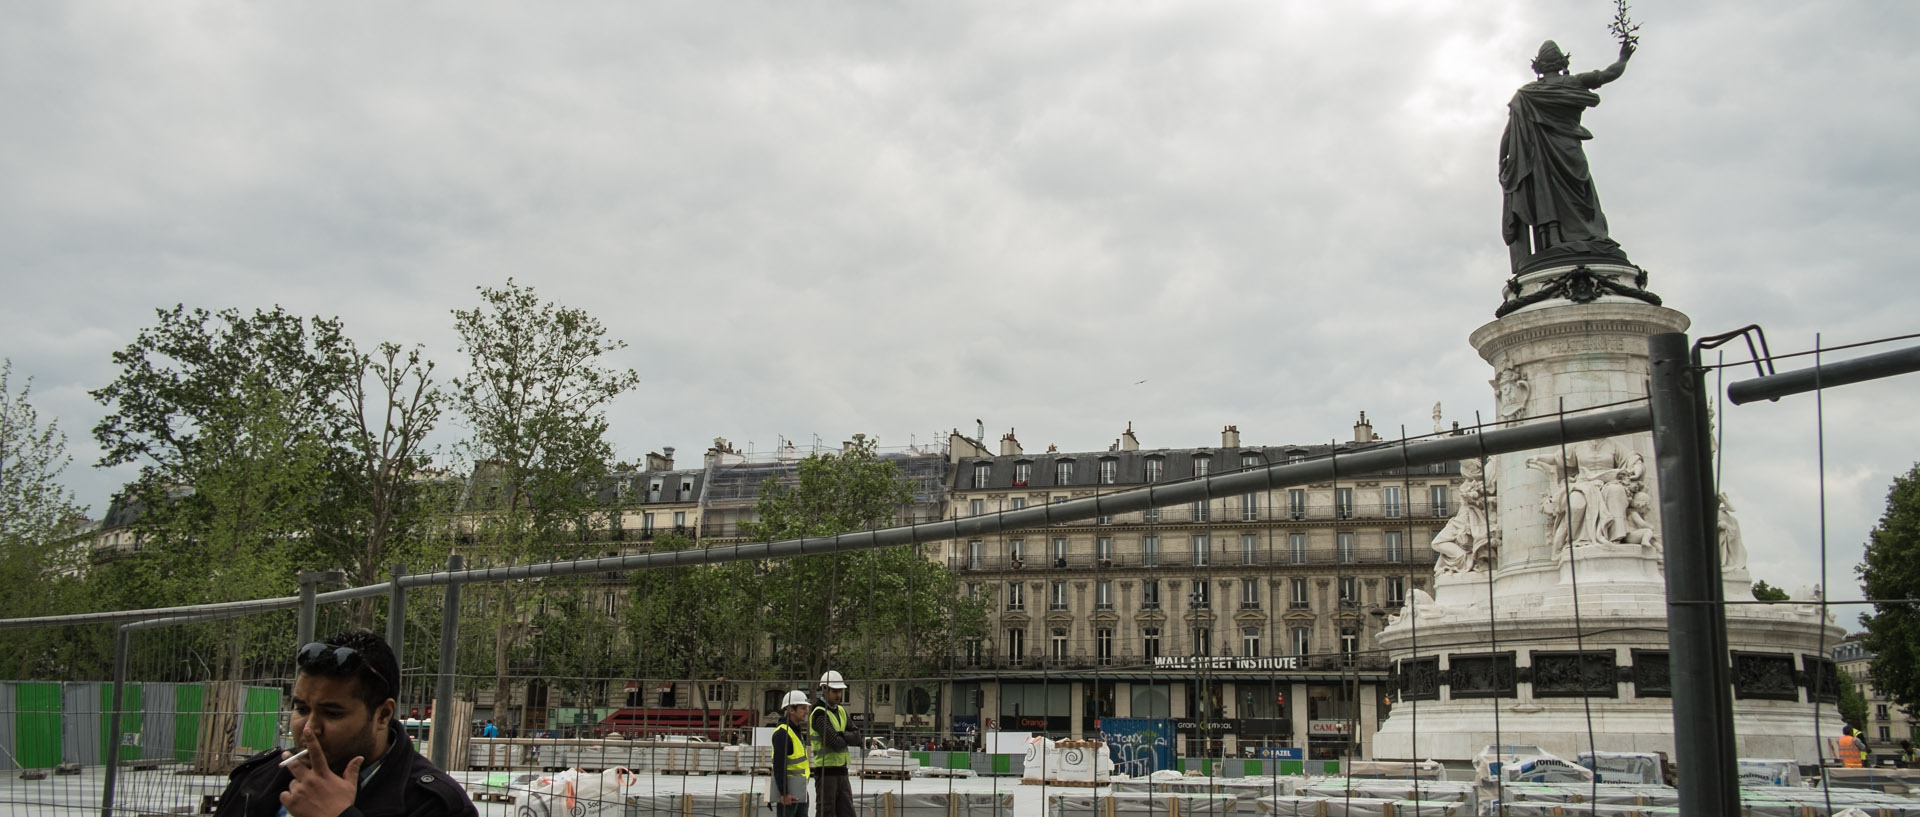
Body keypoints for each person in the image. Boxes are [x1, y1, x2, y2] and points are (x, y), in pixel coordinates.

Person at [215, 631, 478, 817]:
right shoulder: (257, 780)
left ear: (383, 715)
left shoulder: (436, 805)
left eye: (332, 714)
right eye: (301, 709)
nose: (309, 729)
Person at [1500, 39, 1635, 273]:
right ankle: (1589, 236)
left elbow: (1508, 134)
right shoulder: (1572, 82)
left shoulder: (1526, 95)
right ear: (1563, 63)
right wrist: (1623, 57)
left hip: (1541, 160)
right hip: (1570, 151)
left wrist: (1503, 163)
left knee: (1548, 197)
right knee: (1581, 196)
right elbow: (1609, 74)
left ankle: (1553, 239)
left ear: (1538, 68)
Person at [810, 670, 862, 817]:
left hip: (842, 772)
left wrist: (841, 735)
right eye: (835, 691)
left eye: (840, 691)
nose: (838, 695)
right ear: (824, 689)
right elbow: (834, 742)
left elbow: (857, 736)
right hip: (826, 774)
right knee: (826, 812)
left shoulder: (841, 711)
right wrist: (846, 737)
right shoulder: (819, 713)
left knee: (848, 812)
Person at [770, 691, 811, 817]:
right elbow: (779, 765)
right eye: (802, 708)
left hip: (800, 790)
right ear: (791, 710)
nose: (806, 711)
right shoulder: (783, 733)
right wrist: (784, 792)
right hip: (789, 794)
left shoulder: (796, 731)